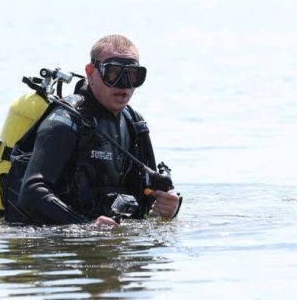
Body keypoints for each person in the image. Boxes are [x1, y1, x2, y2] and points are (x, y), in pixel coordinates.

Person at [18, 34, 181, 228]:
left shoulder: (135, 124)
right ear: (90, 72)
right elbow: (31, 193)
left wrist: (167, 209)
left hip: (108, 244)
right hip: (58, 246)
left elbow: (147, 197)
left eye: (133, 75)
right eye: (113, 73)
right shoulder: (65, 122)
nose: (124, 84)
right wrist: (87, 228)